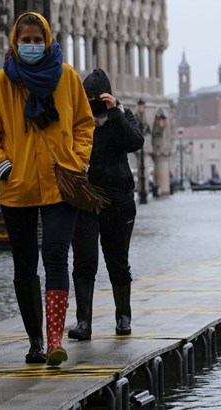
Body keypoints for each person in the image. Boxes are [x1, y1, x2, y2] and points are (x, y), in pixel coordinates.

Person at [0, 11, 94, 367]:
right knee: (24, 266)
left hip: (62, 182)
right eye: (24, 40)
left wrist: (79, 160)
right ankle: (35, 340)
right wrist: (2, 165)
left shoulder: (67, 77)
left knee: (56, 256)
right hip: (17, 184)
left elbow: (84, 123)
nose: (31, 46)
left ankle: (56, 338)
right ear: (15, 42)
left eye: (36, 40)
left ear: (48, 40)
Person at [69, 68, 144, 340]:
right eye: (86, 97)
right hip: (86, 199)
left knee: (117, 260)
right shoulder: (79, 119)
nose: (90, 102)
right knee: (84, 260)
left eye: (95, 97)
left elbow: (135, 141)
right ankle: (83, 322)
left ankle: (123, 316)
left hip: (119, 198)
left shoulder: (121, 116)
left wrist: (114, 112)